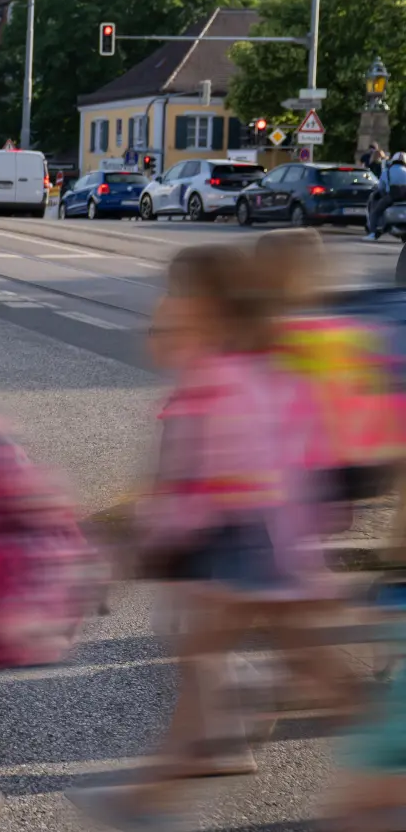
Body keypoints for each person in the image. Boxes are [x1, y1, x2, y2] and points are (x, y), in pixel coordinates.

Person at [69, 244, 353, 828]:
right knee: (225, 658)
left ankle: (152, 799)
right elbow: (309, 457)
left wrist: (142, 549)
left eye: (177, 297)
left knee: (305, 670)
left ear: (209, 309)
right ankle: (152, 798)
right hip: (269, 540)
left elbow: (203, 485)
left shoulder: (216, 382)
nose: (166, 308)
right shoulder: (265, 368)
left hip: (249, 543)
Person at [365, 152, 406, 242]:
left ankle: (373, 233)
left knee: (375, 212)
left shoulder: (387, 171)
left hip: (392, 197)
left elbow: (381, 187)